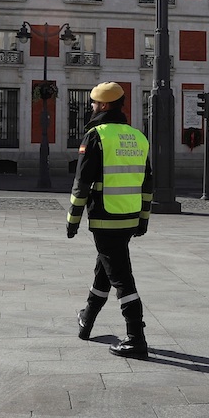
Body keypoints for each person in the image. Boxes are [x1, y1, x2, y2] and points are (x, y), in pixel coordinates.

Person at [67, 81, 154, 358]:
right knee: (104, 270)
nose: (92, 107)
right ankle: (87, 318)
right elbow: (147, 183)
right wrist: (143, 219)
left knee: (121, 277)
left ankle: (136, 338)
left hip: (105, 217)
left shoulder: (96, 136)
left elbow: (82, 183)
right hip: (129, 217)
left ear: (103, 105)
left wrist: (73, 219)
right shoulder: (138, 137)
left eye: (94, 103)